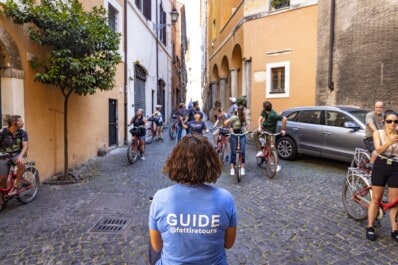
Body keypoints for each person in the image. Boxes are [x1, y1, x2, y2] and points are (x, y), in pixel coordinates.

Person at [148, 135, 237, 264]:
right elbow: (228, 244)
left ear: (175, 162)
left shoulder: (160, 198)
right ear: (210, 163)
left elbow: (157, 246)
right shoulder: (225, 199)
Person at [366, 110, 398, 242]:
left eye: (396, 121)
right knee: (376, 199)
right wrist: (389, 142)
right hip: (380, 166)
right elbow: (378, 150)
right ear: (384, 121)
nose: (392, 124)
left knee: (394, 202)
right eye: (389, 121)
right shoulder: (377, 133)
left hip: (395, 167)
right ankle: (370, 227)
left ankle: (394, 230)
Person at [0, 115, 29, 210]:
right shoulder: (2, 132)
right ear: (14, 123)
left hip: (17, 154)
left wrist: (21, 156)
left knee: (21, 163)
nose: (22, 122)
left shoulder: (22, 133)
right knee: (2, 179)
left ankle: (15, 186)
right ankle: (1, 200)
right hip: (4, 156)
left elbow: (25, 146)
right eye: (20, 121)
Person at [253, 101, 286, 171]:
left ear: (265, 108)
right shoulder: (264, 111)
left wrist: (283, 129)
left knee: (272, 147)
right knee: (255, 133)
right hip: (264, 128)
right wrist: (259, 127)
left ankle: (277, 165)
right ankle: (260, 151)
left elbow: (284, 118)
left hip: (271, 132)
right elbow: (260, 119)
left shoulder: (272, 115)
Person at [225, 106, 247, 176]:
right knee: (233, 152)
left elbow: (246, 125)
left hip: (242, 134)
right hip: (234, 134)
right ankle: (232, 168)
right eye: (243, 111)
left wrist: (246, 130)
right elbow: (226, 122)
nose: (244, 112)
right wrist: (230, 129)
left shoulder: (244, 117)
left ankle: (242, 167)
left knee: (242, 152)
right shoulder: (234, 117)